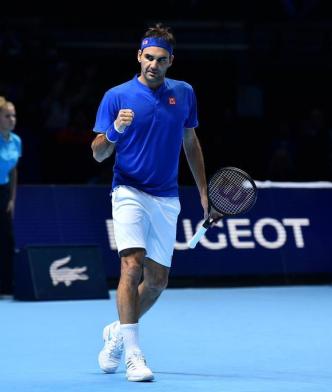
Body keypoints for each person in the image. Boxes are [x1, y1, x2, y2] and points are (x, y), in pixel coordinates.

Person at [91, 23, 212, 382]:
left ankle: (118, 331)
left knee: (157, 281)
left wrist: (204, 193)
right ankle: (133, 354)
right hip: (127, 190)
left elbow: (190, 144)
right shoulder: (116, 96)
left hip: (166, 196)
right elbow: (98, 154)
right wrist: (114, 131)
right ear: (138, 56)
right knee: (131, 267)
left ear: (170, 61)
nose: (153, 65)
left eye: (161, 59)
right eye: (148, 57)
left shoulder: (185, 94)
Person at [0, 97, 21, 295]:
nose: (12, 119)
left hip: (4, 191)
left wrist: (12, 199)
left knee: (7, 240)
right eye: (7, 116)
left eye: (13, 115)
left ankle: (6, 286)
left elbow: (13, 171)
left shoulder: (16, 141)